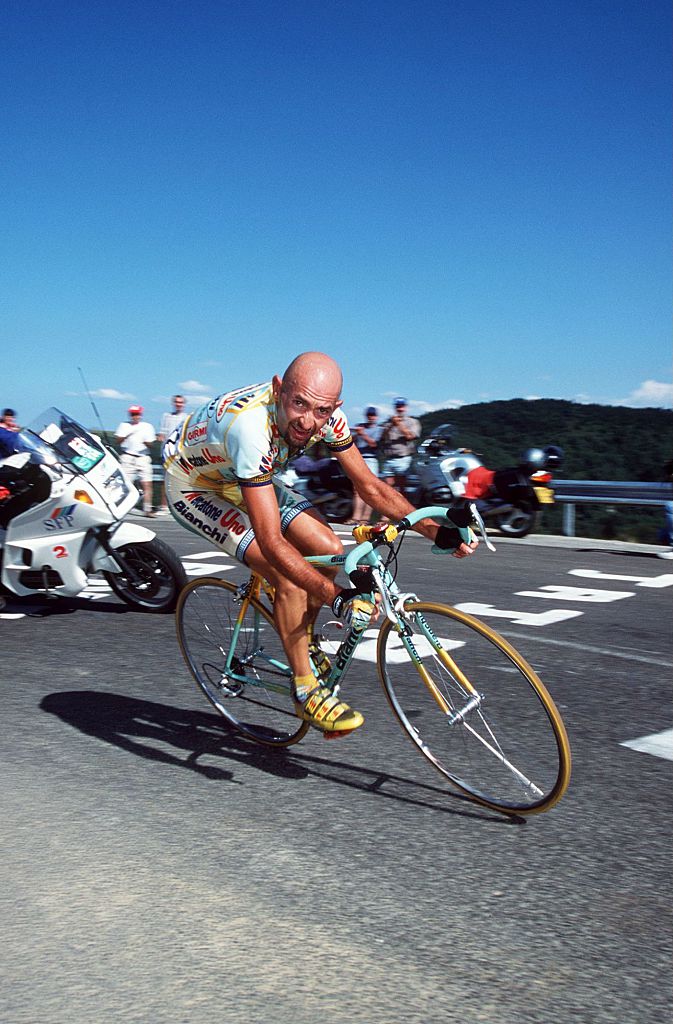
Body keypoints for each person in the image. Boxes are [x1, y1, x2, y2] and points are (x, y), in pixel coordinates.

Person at [164, 352, 477, 737]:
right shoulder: (251, 429)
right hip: (196, 487)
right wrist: (337, 597)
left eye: (321, 411)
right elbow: (272, 542)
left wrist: (434, 530)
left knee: (329, 547)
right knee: (288, 575)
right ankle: (304, 690)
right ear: (279, 389)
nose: (308, 421)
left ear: (335, 408)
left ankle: (306, 642)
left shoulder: (327, 419)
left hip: (243, 475)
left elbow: (369, 486)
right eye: (299, 404)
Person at [115, 405, 157, 517]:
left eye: (137, 414)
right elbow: (118, 441)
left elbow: (151, 444)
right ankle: (122, 507)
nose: (135, 416)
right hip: (127, 457)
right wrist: (127, 434)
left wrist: (147, 443)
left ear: (140, 415)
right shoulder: (124, 425)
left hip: (143, 457)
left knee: (147, 483)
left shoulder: (147, 427)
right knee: (126, 484)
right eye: (133, 414)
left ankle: (147, 509)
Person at [379, 397, 421, 500]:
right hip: (389, 458)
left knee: (401, 487)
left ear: (405, 407)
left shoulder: (412, 422)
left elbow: (410, 436)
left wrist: (398, 425)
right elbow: (382, 438)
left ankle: (403, 511)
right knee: (387, 487)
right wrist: (390, 426)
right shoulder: (387, 423)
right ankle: (387, 513)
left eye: (401, 406)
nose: (400, 409)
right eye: (398, 407)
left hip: (403, 457)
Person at [348, 406, 383, 524]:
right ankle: (355, 517)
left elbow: (374, 444)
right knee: (357, 489)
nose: (371, 417)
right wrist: (357, 434)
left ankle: (365, 518)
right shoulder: (360, 426)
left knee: (370, 489)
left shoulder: (379, 429)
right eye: (369, 415)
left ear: (376, 417)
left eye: (372, 415)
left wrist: (362, 434)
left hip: (371, 459)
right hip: (359, 458)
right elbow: (350, 440)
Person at [156, 395, 188, 514]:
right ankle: (164, 506)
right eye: (176, 402)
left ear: (183, 404)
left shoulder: (187, 417)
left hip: (179, 454)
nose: (178, 404)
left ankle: (178, 508)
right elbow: (162, 433)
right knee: (165, 481)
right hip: (167, 453)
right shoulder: (166, 416)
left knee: (180, 482)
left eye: (181, 402)